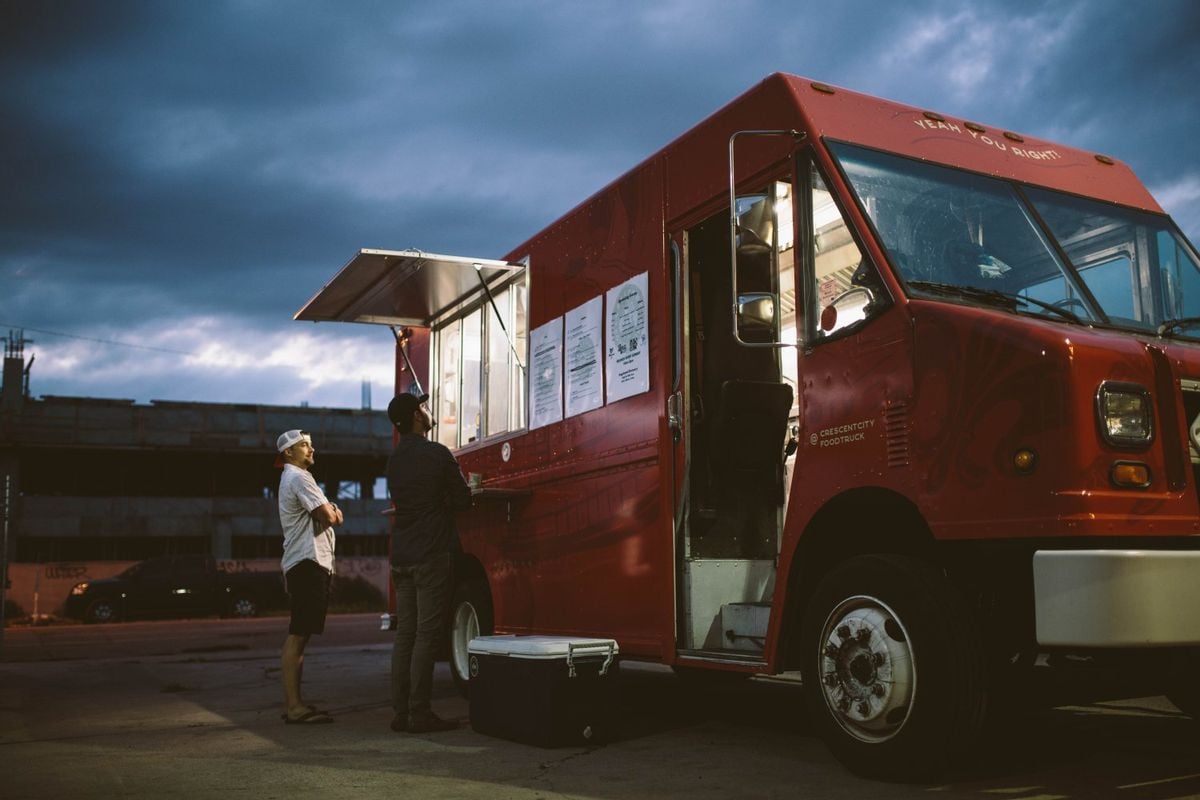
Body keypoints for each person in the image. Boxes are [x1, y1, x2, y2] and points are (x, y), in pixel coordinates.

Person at [386, 392, 472, 734]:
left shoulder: (394, 461)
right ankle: (419, 713)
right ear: (416, 417)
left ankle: (401, 712)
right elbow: (463, 500)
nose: (427, 410)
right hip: (431, 553)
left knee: (405, 634)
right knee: (426, 634)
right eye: (422, 407)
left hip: (402, 556)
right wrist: (445, 501)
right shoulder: (437, 453)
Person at [276, 429, 342, 725]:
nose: (311, 449)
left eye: (311, 445)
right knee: (299, 634)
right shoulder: (299, 478)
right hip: (307, 561)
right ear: (288, 452)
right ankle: (294, 708)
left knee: (301, 633)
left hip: (306, 562)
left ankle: (296, 704)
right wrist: (334, 511)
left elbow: (326, 513)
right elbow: (329, 516)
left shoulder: (295, 477)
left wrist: (330, 511)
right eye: (304, 445)